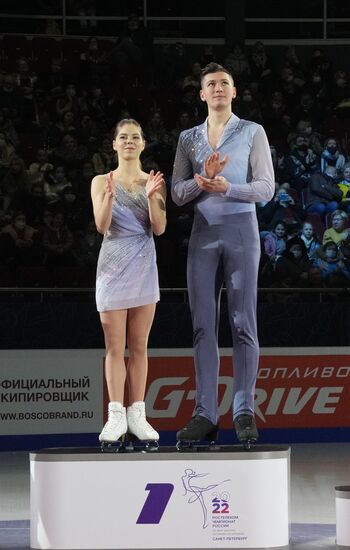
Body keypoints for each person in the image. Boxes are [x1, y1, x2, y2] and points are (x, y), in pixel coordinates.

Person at [171, 62, 274, 446]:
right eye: (210, 83)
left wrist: (228, 186)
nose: (217, 88)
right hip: (203, 236)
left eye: (224, 83)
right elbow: (177, 194)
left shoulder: (252, 131)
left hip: (241, 232)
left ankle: (244, 410)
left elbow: (266, 188)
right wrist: (200, 183)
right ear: (201, 94)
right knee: (202, 326)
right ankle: (205, 414)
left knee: (243, 323)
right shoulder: (188, 139)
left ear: (234, 92)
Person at [91, 118, 166, 446]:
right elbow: (101, 224)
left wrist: (152, 197)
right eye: (123, 137)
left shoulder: (154, 181)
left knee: (138, 346)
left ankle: (138, 415)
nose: (129, 141)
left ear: (143, 143)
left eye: (135, 136)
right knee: (114, 346)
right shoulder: (99, 181)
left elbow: (160, 228)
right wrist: (108, 197)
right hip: (112, 268)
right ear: (114, 144)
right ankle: (115, 415)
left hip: (143, 267)